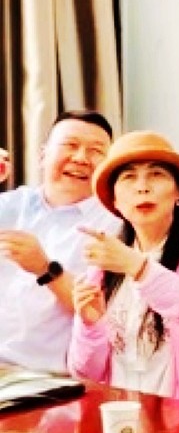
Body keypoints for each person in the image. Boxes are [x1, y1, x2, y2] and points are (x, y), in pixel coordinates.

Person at [67, 132, 179, 409]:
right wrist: (90, 325)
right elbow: (84, 373)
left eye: (156, 174)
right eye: (129, 177)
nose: (142, 188)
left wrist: (138, 267)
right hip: (122, 416)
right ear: (115, 201)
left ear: (178, 192)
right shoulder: (104, 261)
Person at [0, 111, 115, 372]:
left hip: (45, 377)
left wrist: (45, 269)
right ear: (42, 156)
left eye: (96, 151)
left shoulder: (114, 227)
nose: (81, 158)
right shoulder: (11, 205)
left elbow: (104, 316)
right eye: (70, 145)